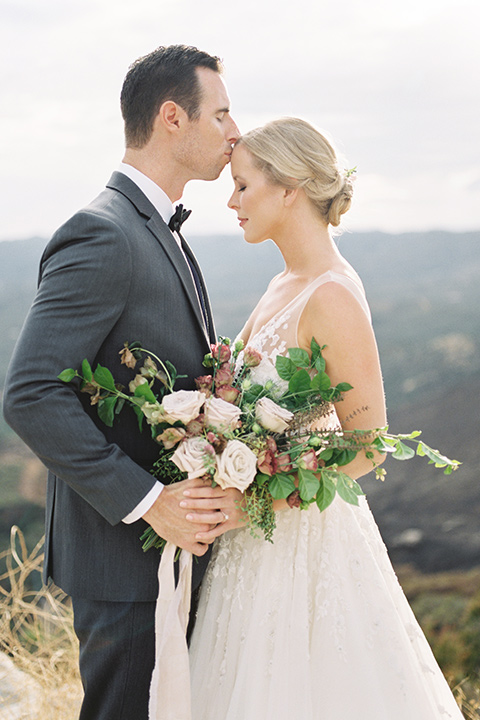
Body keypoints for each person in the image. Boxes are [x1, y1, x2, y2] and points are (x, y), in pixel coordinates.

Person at [186, 118, 464, 719]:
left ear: (289, 190)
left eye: (242, 186)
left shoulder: (331, 294)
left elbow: (368, 447)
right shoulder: (281, 283)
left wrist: (256, 503)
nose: (231, 200)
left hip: (302, 546)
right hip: (251, 548)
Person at [2, 45, 245, 720]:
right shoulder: (104, 233)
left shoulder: (155, 229)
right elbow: (30, 393)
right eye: (221, 113)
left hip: (162, 563)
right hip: (125, 562)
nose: (235, 132)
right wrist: (147, 500)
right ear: (173, 117)